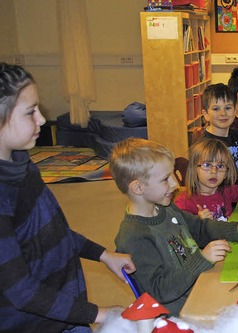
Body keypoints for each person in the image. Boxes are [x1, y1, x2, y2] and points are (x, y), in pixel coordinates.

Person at [0, 62, 136, 332]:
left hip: (65, 312)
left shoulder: (23, 165)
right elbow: (21, 291)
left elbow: (53, 232)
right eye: (30, 112)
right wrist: (99, 313)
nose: (41, 119)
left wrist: (103, 255)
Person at [110, 138, 238, 316]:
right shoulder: (134, 236)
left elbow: (200, 228)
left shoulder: (166, 208)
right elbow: (161, 291)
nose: (175, 184)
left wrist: (235, 230)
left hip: (199, 285)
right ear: (138, 187)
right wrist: (201, 259)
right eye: (166, 179)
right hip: (181, 311)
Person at [174, 138, 238, 220]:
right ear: (194, 168)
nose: (214, 171)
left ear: (226, 171)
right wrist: (197, 220)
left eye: (220, 166)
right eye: (207, 165)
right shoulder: (185, 201)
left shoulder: (226, 191)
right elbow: (177, 227)